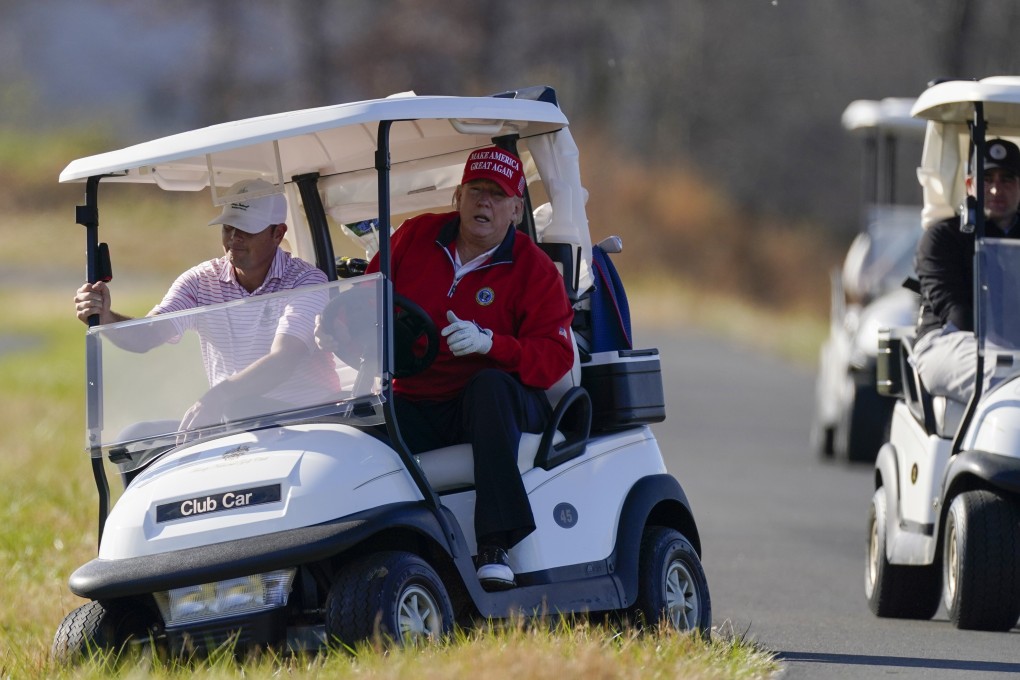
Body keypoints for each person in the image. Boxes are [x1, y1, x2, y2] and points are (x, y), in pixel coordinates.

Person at [328, 146, 575, 590]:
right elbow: (369, 302)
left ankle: (497, 544)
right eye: (477, 191)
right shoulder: (413, 238)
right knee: (353, 430)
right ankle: (354, 554)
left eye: (498, 196)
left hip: (498, 406)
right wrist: (339, 330)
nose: (485, 203)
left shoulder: (534, 269)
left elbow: (555, 359)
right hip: (417, 396)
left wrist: (492, 344)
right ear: (457, 197)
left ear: (516, 210)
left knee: (488, 387)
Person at [73, 178, 339, 430]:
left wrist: (219, 396)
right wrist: (106, 317)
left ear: (278, 234)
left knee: (239, 408)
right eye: (228, 227)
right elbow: (148, 333)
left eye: (246, 229)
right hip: (233, 417)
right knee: (132, 437)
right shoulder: (200, 281)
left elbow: (284, 358)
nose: (234, 238)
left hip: (308, 421)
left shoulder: (307, 280)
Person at [913, 138, 1020, 404]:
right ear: (970, 185)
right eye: (987, 179)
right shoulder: (944, 236)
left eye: (1007, 179)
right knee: (1000, 371)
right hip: (948, 340)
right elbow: (956, 312)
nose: (996, 190)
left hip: (1013, 348)